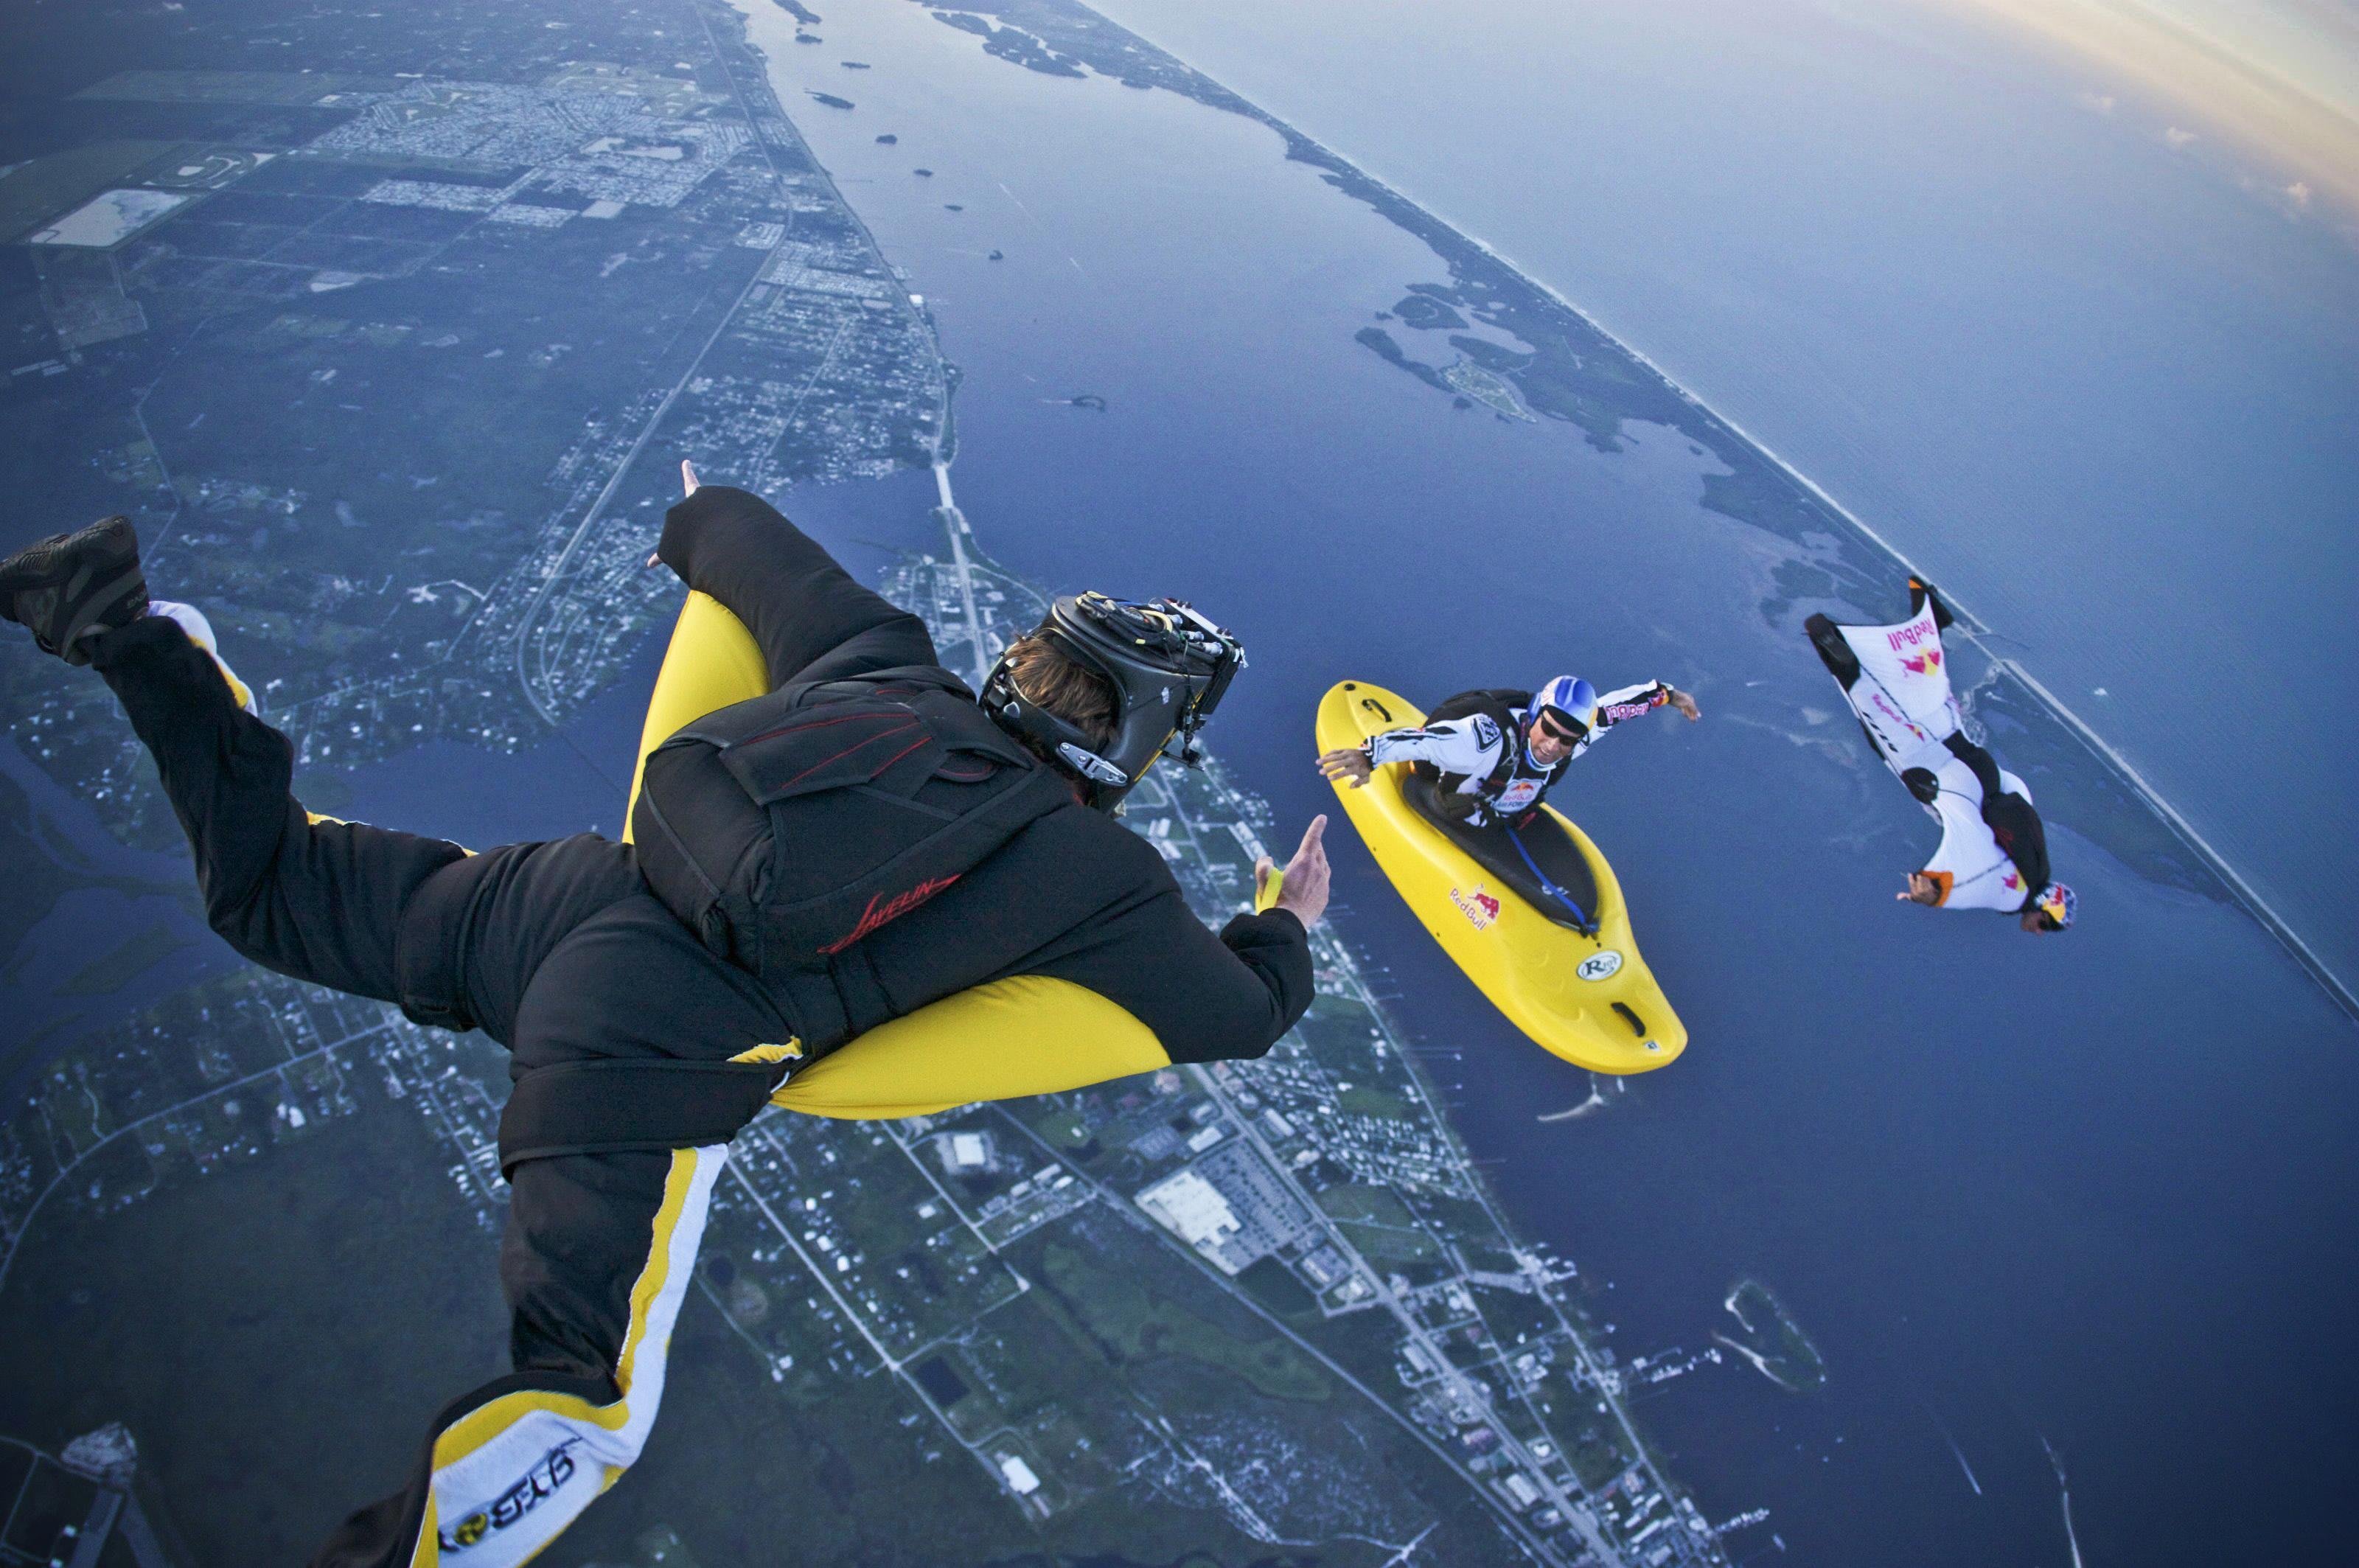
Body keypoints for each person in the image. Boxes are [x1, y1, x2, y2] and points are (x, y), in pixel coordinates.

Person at [0, 470, 1331, 1568]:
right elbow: (1250, 1007)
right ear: (1144, 744)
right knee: (586, 1403)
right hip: (652, 1054)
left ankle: (127, 629)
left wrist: (693, 521)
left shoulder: (884, 656)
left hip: (559, 902)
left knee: (278, 889)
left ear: (1023, 660)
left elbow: (727, 529)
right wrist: (1290, 915)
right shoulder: (1107, 884)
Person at [1805, 577, 2074, 935]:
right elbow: (1973, 878)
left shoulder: (2038, 858)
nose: (2039, 933)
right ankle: (1833, 646)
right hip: (1939, 779)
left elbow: (2017, 793)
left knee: (1930, 692)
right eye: (2047, 928)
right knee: (1873, 712)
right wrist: (1933, 891)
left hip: (1980, 767)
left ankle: (1927, 610)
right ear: (2043, 914)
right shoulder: (2014, 897)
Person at [1317, 672, 1701, 828]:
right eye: (1548, 730)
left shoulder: (1576, 736)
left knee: (1531, 792)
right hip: (1454, 799)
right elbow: (1425, 742)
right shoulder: (1484, 739)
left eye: (1567, 739)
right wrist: (1370, 755)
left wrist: (1668, 695)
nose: (1554, 744)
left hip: (1504, 808)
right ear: (1535, 716)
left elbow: (1619, 707)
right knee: (1458, 794)